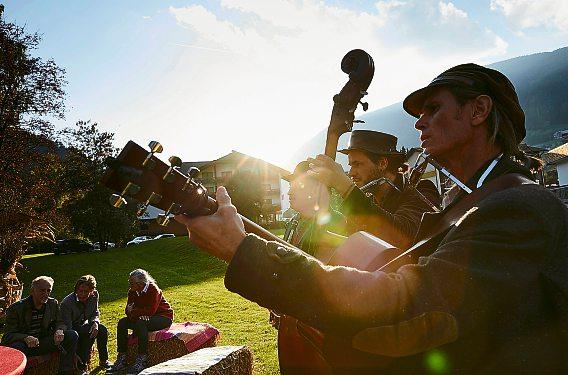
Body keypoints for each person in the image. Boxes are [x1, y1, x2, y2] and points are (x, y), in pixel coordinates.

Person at [175, 63, 568, 373]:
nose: (419, 122)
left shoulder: (519, 207)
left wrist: (241, 250)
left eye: (433, 108)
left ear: (479, 110)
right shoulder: (471, 205)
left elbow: (412, 306)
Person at [308, 130, 440, 249]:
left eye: (357, 164)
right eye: (351, 165)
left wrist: (346, 188)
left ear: (382, 163)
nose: (351, 173)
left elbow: (403, 237)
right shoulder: (370, 201)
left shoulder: (421, 190)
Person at [1, 276, 79, 375]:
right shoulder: (16, 308)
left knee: (72, 335)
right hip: (25, 345)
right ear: (32, 291)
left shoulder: (52, 303)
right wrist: (25, 338)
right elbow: (7, 336)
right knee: (16, 347)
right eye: (42, 290)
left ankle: (65, 371)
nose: (46, 294)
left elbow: (60, 322)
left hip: (43, 341)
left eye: (48, 291)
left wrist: (59, 330)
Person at [108, 269, 173, 374]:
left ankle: (142, 359)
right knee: (122, 322)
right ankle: (122, 357)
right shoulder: (132, 291)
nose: (129, 285)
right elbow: (127, 310)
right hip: (143, 318)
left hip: (163, 317)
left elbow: (150, 311)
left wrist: (134, 312)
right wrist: (137, 314)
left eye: (131, 283)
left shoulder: (153, 289)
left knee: (141, 322)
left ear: (140, 283)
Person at [59, 275, 111, 371]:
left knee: (101, 329)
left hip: (82, 325)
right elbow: (68, 328)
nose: (82, 294)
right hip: (71, 328)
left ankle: (104, 360)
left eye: (86, 292)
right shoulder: (66, 303)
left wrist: (95, 322)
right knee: (87, 335)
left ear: (91, 291)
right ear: (76, 290)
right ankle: (81, 365)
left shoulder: (94, 295)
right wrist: (73, 353)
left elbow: (95, 312)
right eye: (80, 291)